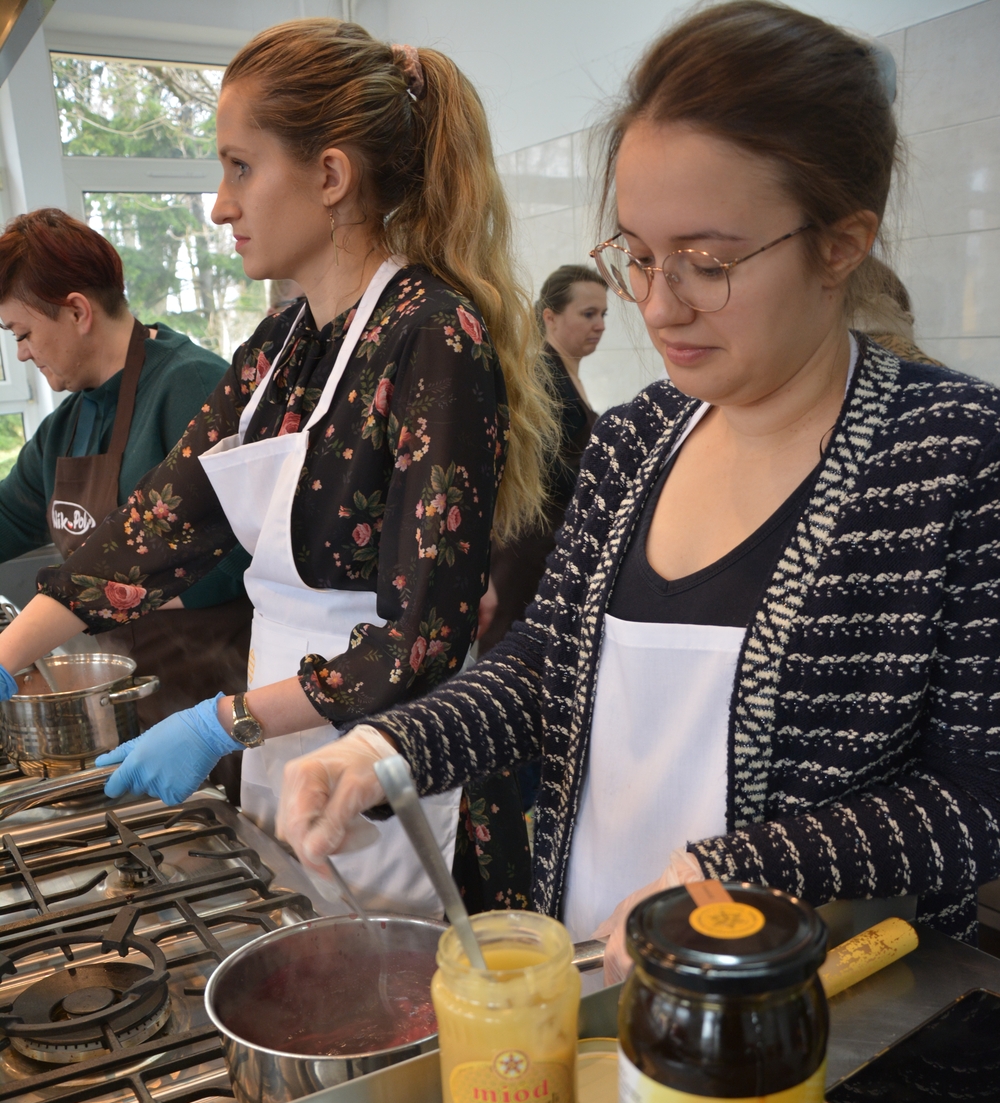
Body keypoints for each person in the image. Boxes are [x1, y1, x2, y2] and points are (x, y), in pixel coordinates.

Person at [274, 0, 1000, 980]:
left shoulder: (955, 457)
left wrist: (739, 871)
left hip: (813, 1009)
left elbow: (975, 802)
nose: (659, 306)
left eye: (707, 264)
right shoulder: (633, 439)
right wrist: (386, 749)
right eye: (639, 258)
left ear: (840, 243)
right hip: (590, 974)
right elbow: (547, 665)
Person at [0, 19, 552, 918]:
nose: (220, 206)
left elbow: (422, 640)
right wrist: (8, 654)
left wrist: (223, 720)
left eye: (240, 168)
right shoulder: (282, 346)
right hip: (284, 746)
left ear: (330, 176)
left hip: (401, 769)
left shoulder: (431, 335)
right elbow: (156, 530)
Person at [0, 210, 251, 791]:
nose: (22, 354)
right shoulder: (67, 425)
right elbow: (8, 518)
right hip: (124, 710)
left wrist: (106, 598)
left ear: (77, 311)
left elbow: (245, 553)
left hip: (212, 707)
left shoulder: (194, 387)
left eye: (22, 333)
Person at [478, 265, 606, 655]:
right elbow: (544, 469)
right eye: (588, 314)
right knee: (513, 654)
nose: (600, 325)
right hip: (528, 547)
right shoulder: (542, 375)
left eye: (603, 314)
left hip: (554, 544)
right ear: (550, 317)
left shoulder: (565, 374)